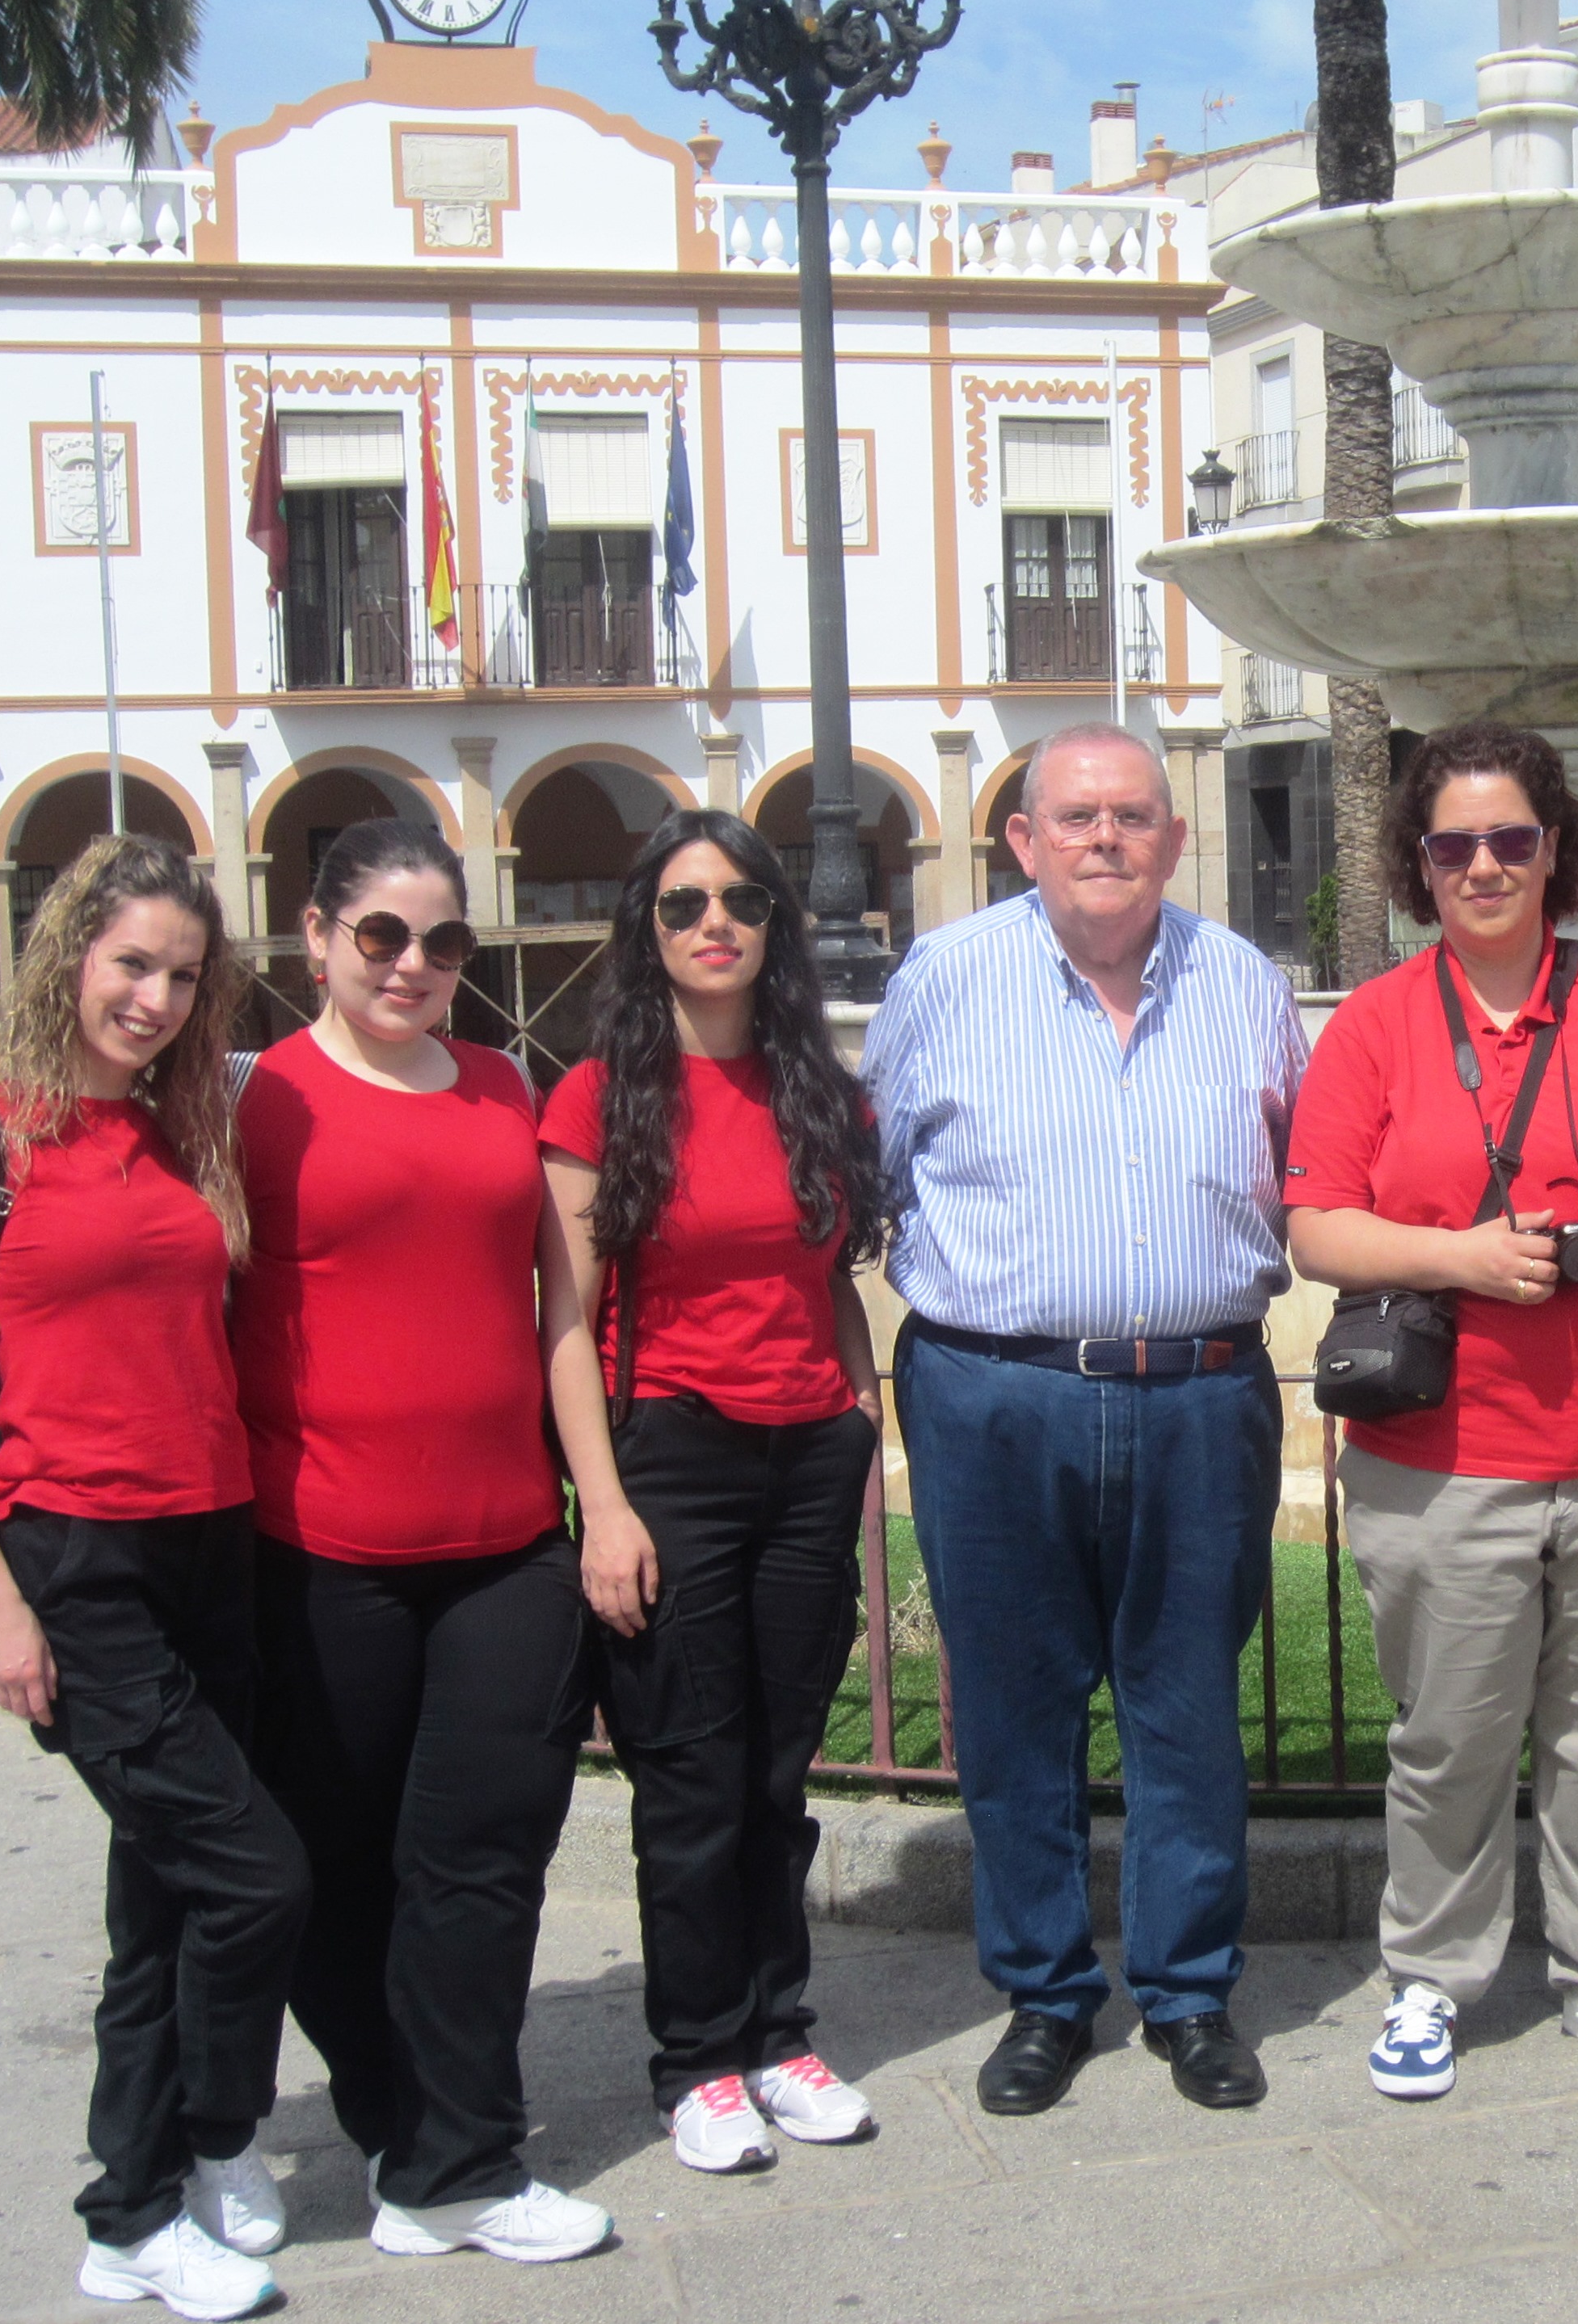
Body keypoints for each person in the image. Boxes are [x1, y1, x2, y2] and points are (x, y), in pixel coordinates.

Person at [1288, 721, 1578, 2099]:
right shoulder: (1377, 1023)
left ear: (1556, 849)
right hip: (1448, 1461)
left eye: (1511, 839)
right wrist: (1465, 1258)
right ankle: (1431, 1977)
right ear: (1417, 867)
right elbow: (1316, 1226)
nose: (1483, 864)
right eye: (1453, 845)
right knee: (1451, 1739)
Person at [865, 725, 1306, 2119]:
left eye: (1132, 816)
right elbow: (878, 1174)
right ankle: (1045, 1992)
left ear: (1174, 840)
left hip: (1199, 1395)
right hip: (994, 1393)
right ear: (1024, 839)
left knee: (1184, 1709)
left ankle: (1187, 1994)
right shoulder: (944, 980)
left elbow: (1300, 1165)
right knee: (1013, 1706)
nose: (1105, 838)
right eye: (1076, 817)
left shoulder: (1242, 983)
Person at [0, 837, 303, 2322]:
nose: (154, 994)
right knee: (257, 1875)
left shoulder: (192, 1129)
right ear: (68, 948)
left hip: (214, 1540)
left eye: (184, 975)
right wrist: (0, 1601)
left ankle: (156, 2201)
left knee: (167, 1899)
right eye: (132, 961)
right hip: (71, 1555)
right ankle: (150, 2188)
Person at [235, 818, 612, 2261]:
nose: (411, 963)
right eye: (381, 934)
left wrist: (598, 1504)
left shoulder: (500, 1084)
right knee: (337, 1863)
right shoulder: (257, 1099)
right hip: (322, 1547)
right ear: (317, 936)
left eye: (443, 941)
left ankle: (459, 2155)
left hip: (504, 1544)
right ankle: (396, 2116)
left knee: (487, 1858)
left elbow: (562, 1313)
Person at [541, 813, 887, 2171]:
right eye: (684, 905)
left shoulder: (820, 1090)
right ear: (649, 928)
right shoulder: (597, 1098)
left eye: (742, 900)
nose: (714, 924)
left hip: (808, 1453)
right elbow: (563, 1316)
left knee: (778, 1772)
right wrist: (605, 1504)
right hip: (669, 1453)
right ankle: (699, 2057)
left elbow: (830, 1277)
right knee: (690, 1773)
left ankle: (779, 2031)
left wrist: (858, 1410)